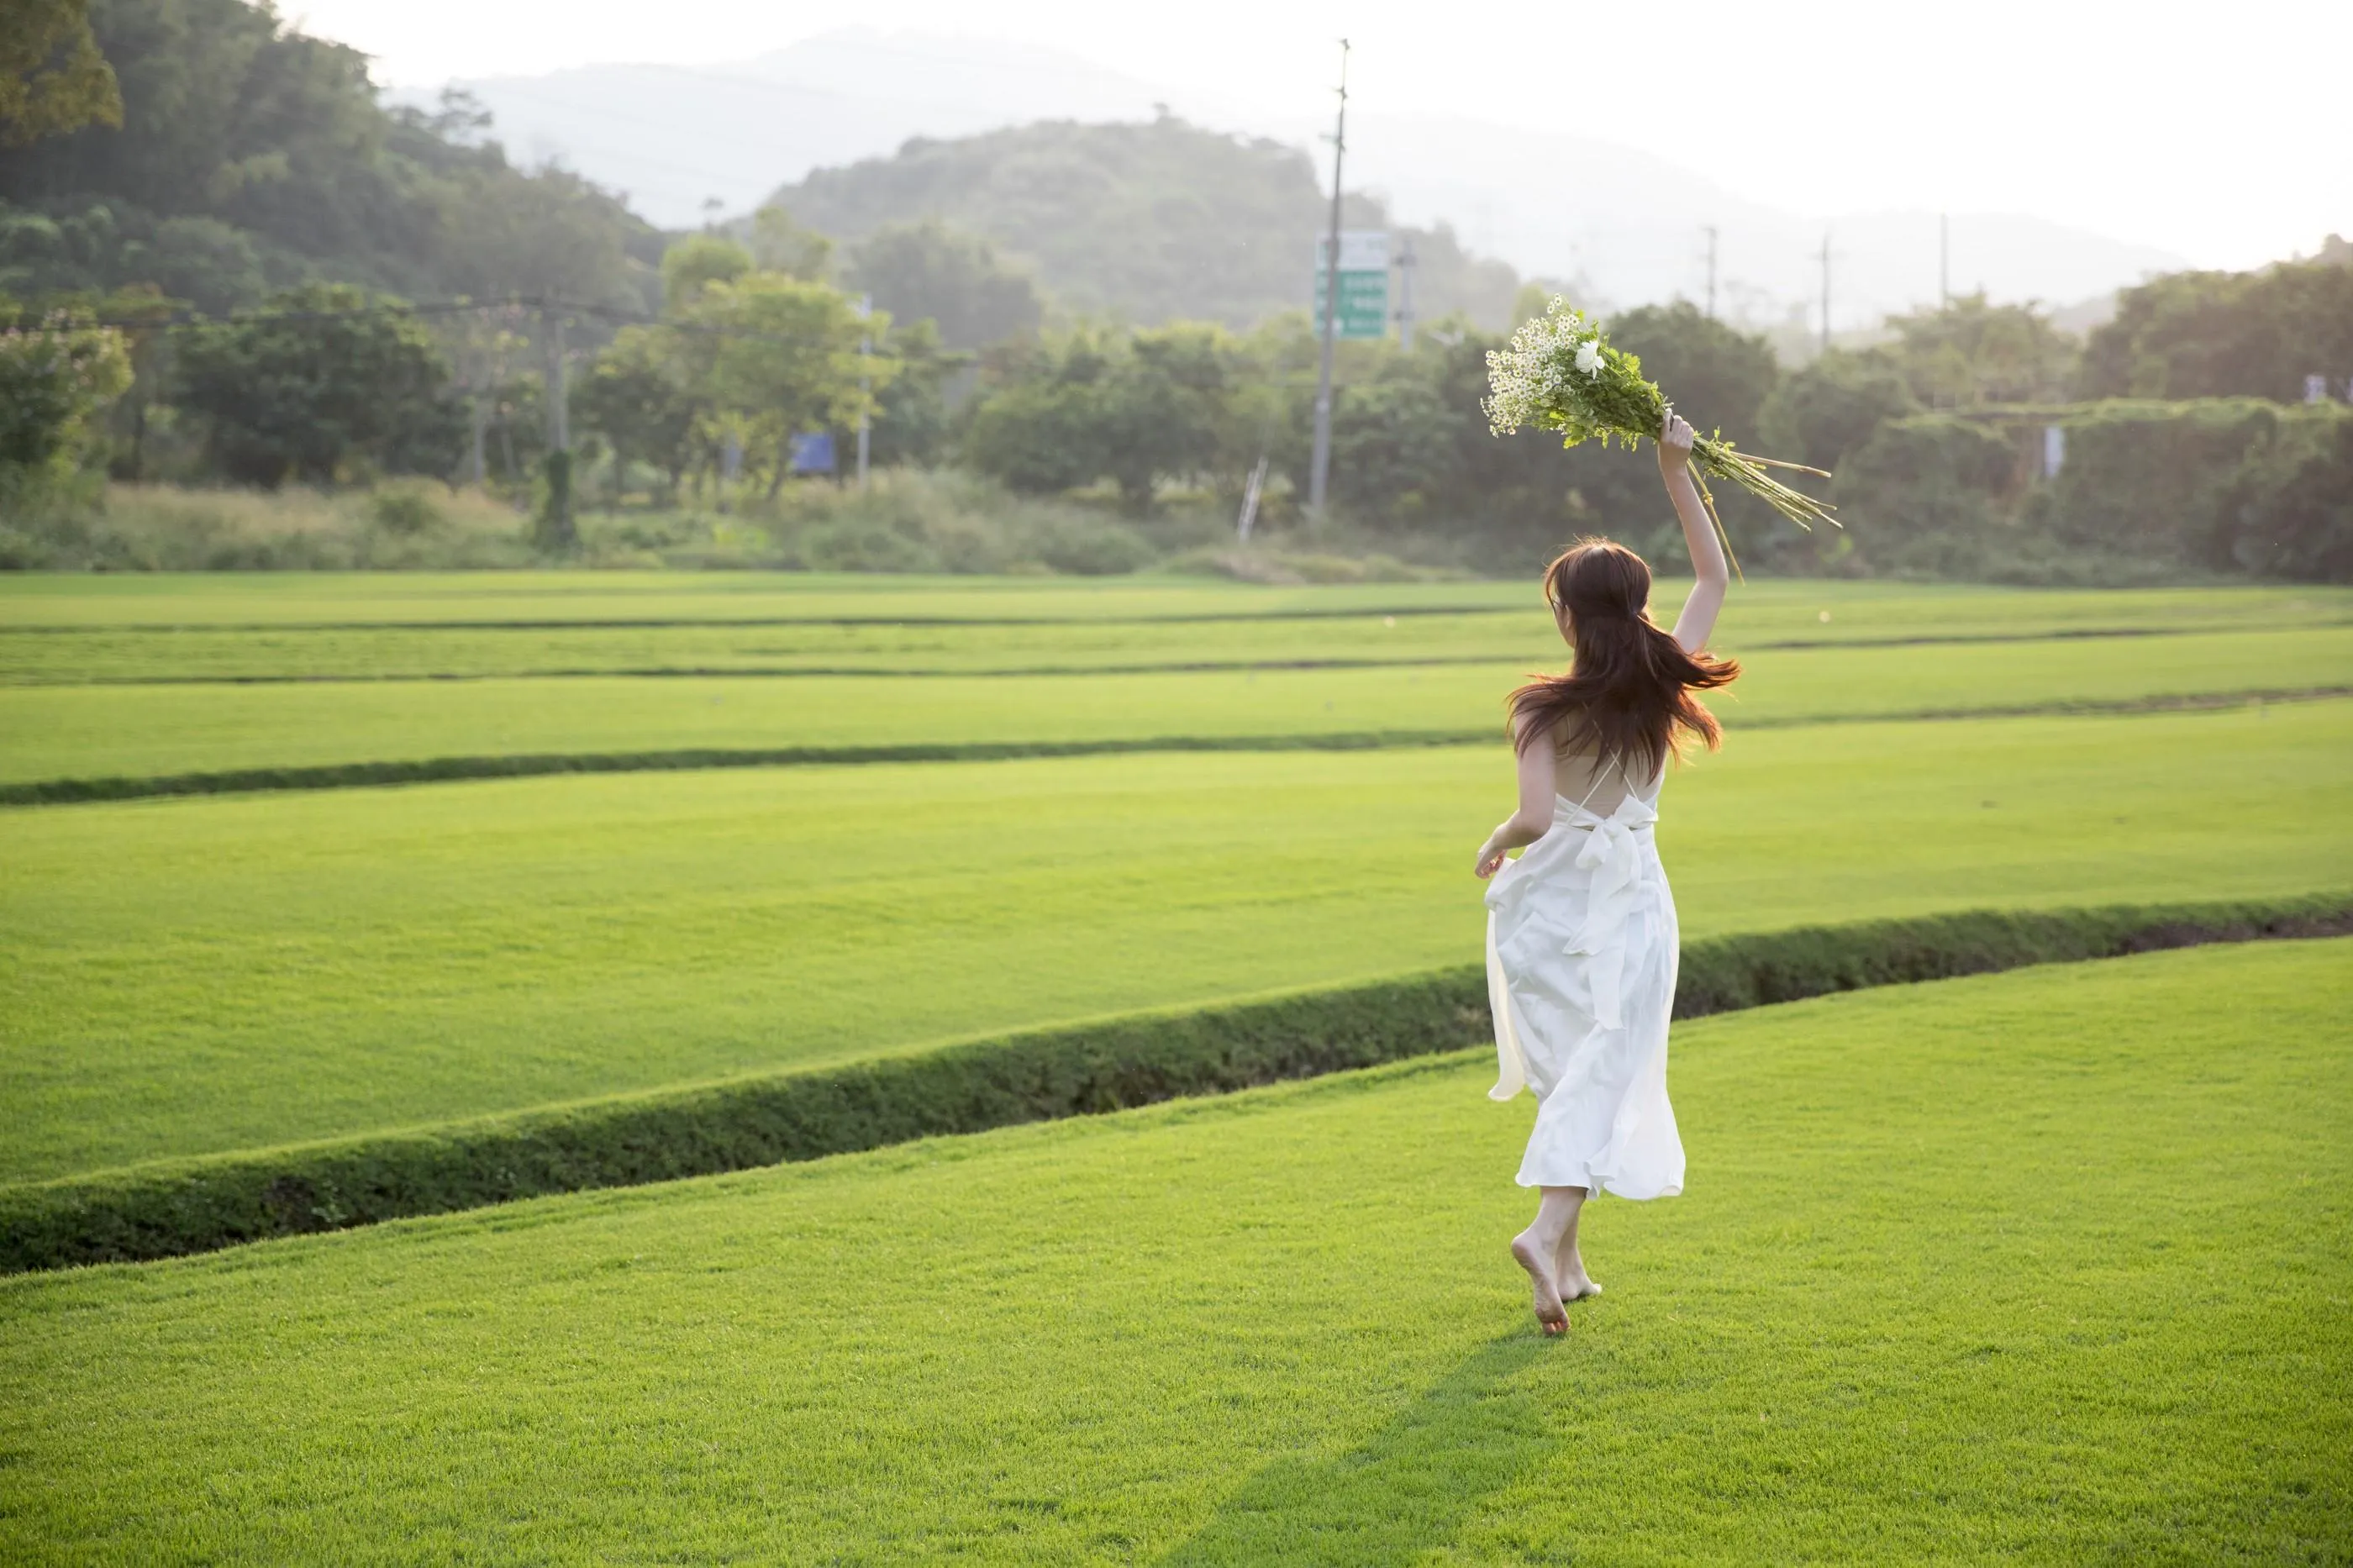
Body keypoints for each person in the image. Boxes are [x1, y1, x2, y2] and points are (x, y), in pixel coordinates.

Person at [1472, 410, 1740, 1336]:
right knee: (1607, 1061)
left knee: (1573, 1067)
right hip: (1627, 896)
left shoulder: (1540, 706)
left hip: (1549, 901)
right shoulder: (1663, 680)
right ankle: (1548, 1234)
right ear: (1637, 604)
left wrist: (1495, 839)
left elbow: (1537, 818)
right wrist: (1678, 469)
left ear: (1562, 614)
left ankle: (1569, 1258)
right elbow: (1713, 574)